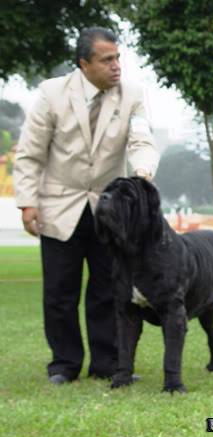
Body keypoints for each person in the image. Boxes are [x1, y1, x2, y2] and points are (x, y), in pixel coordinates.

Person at [13, 27, 160, 384]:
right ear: (84, 64)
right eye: (106, 60)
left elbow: (141, 139)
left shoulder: (133, 95)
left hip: (109, 211)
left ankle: (107, 363)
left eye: (118, 58)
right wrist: (27, 202)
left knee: (108, 289)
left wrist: (142, 172)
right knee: (60, 292)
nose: (116, 66)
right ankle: (64, 364)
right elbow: (31, 154)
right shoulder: (51, 93)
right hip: (58, 205)